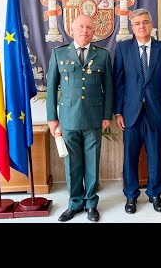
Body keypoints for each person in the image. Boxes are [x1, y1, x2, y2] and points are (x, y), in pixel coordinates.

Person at [46, 14, 113, 222]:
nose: (85, 31)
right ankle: (74, 203)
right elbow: (51, 89)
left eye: (89, 28)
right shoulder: (59, 53)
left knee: (92, 162)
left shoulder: (102, 55)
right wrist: (52, 118)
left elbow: (108, 88)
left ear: (94, 32)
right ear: (72, 30)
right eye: (81, 27)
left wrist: (106, 115)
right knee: (72, 164)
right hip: (68, 118)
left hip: (94, 117)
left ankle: (91, 203)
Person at [114, 8, 161, 214]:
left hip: (156, 112)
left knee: (155, 155)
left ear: (151, 25)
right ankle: (131, 196)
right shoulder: (122, 49)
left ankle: (155, 194)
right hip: (130, 114)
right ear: (132, 27)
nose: (142, 26)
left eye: (145, 22)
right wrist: (117, 112)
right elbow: (118, 83)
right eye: (137, 23)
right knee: (130, 157)